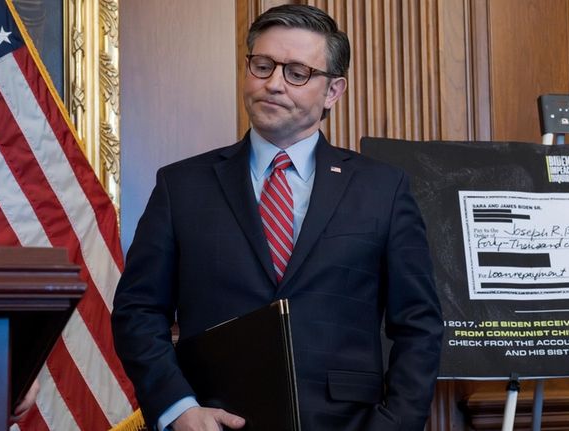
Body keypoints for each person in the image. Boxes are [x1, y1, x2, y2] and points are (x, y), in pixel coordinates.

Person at [112, 4, 443, 431]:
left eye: (297, 73)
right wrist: (178, 408)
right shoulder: (182, 186)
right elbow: (137, 310)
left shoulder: (383, 189)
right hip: (214, 421)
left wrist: (394, 424)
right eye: (263, 65)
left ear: (333, 91)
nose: (273, 84)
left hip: (347, 422)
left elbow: (419, 324)